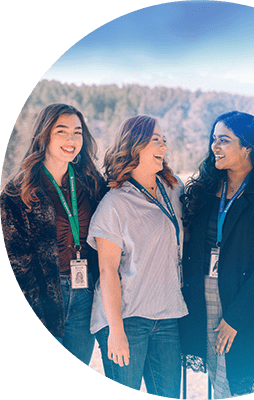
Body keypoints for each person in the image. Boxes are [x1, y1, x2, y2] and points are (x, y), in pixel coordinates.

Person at [179, 111, 254, 398]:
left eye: (224, 140)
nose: (214, 146)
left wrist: (235, 318)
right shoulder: (208, 187)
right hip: (206, 296)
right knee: (218, 376)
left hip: (249, 301)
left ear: (248, 148)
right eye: (213, 139)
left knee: (242, 378)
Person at [87, 115, 188, 397]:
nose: (164, 146)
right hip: (127, 319)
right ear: (135, 145)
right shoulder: (115, 203)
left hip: (168, 315)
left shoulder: (174, 188)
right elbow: (107, 272)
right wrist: (116, 332)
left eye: (164, 140)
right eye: (156, 139)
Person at [1, 103, 106, 365]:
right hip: (44, 298)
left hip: (86, 292)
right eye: (62, 131)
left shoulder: (91, 183)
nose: (71, 140)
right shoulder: (18, 190)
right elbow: (14, 259)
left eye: (77, 132)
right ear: (44, 135)